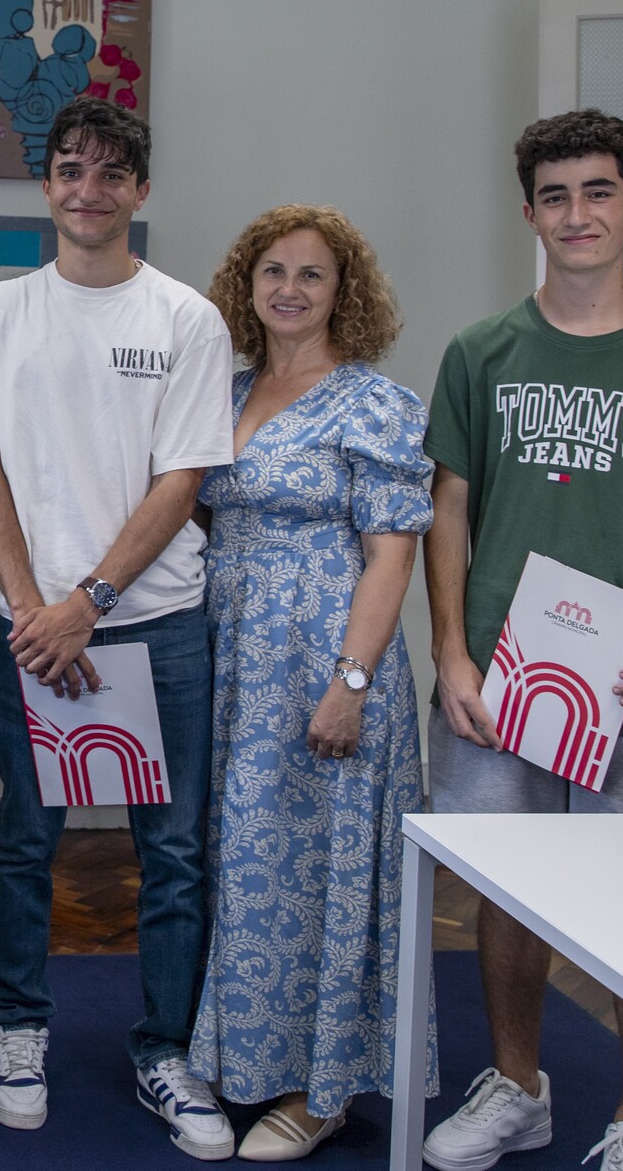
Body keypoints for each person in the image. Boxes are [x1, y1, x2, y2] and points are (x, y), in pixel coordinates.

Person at [420, 111, 623, 1171]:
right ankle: (518, 1087)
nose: (578, 214)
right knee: (506, 896)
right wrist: (452, 655)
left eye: (598, 192)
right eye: (556, 196)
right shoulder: (481, 352)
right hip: (501, 680)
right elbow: (447, 510)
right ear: (530, 213)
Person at [0, 98, 237, 1157]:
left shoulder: (187, 319)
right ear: (47, 185)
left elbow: (182, 479)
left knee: (173, 853)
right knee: (26, 841)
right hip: (32, 625)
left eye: (112, 173)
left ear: (140, 190)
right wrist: (36, 610)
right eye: (71, 169)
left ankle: (168, 1051)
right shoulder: (0, 313)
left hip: (158, 624)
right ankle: (19, 1029)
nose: (89, 189)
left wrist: (90, 604)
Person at [187, 206, 436, 1162]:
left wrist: (352, 681)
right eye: (273, 272)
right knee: (248, 863)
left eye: (312, 274)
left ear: (345, 292)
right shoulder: (226, 391)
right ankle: (246, 1059)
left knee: (321, 871)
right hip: (235, 658)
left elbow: (392, 557)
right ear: (245, 286)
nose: (289, 289)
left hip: (326, 658)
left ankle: (318, 1088)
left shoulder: (373, 404)